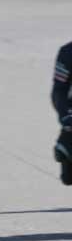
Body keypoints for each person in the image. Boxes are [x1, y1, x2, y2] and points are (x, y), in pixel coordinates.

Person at [52, 41, 72, 185]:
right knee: (68, 177)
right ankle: (65, 146)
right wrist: (65, 116)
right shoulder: (68, 52)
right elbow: (59, 90)